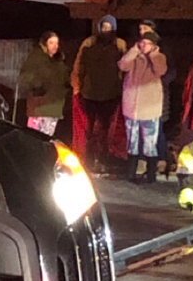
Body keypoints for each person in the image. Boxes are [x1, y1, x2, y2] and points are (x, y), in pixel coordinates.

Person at [71, 15, 127, 173]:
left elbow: (124, 69)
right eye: (104, 27)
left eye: (109, 27)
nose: (106, 30)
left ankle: (102, 159)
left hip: (110, 94)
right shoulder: (89, 44)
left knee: (105, 130)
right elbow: (79, 67)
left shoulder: (120, 45)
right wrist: (77, 86)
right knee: (90, 130)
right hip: (90, 93)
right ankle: (89, 160)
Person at [118, 31, 169, 183]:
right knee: (131, 142)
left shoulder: (160, 57)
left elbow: (161, 70)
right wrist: (134, 50)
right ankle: (131, 173)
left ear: (153, 45)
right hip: (132, 107)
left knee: (149, 143)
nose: (143, 45)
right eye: (142, 42)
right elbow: (122, 65)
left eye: (146, 43)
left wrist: (152, 55)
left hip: (150, 108)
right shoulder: (135, 56)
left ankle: (151, 175)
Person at [16, 31, 69, 136]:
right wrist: (38, 84)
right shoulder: (36, 58)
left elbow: (64, 79)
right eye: (51, 42)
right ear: (44, 43)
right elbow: (26, 77)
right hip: (39, 108)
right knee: (35, 139)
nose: (55, 46)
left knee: (47, 139)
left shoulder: (58, 61)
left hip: (54, 108)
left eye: (56, 43)